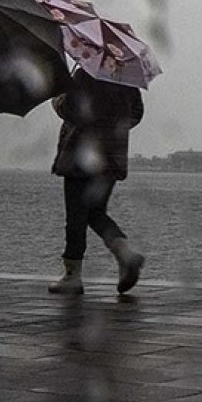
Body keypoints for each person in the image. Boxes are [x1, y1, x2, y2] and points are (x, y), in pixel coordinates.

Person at [47, 67, 146, 295]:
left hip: (81, 156)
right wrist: (111, 124)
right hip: (111, 157)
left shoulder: (84, 74)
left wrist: (57, 99)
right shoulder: (125, 77)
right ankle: (125, 254)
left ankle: (73, 276)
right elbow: (136, 113)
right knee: (95, 212)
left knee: (76, 215)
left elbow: (71, 109)